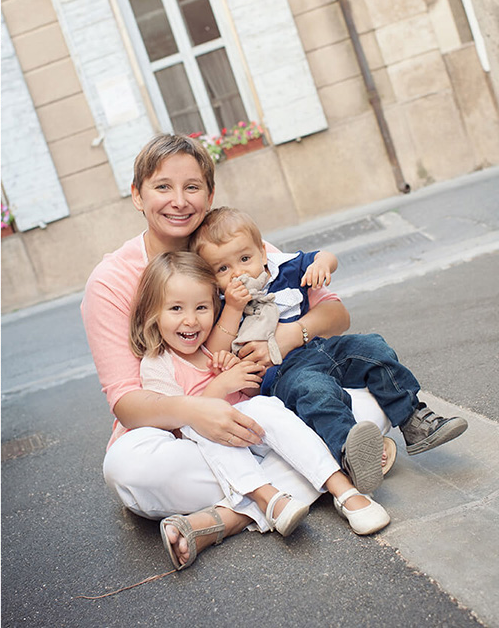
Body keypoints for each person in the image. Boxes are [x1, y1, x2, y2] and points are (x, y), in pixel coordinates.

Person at [128, 251, 390, 569]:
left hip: (257, 437)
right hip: (214, 452)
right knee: (208, 429)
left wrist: (239, 373)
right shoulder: (158, 364)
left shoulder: (216, 344)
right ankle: (271, 498)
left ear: (215, 306)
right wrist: (220, 386)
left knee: (267, 405)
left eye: (202, 308)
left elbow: (255, 392)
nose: (190, 320)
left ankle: (344, 491)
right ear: (152, 314)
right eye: (175, 309)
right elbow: (178, 424)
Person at [192, 206, 468, 494]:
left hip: (320, 346)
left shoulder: (284, 268)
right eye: (223, 269)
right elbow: (215, 347)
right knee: (317, 391)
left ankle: (413, 420)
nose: (238, 272)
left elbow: (324, 256)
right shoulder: (222, 303)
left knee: (372, 347)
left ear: (263, 253)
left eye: (245, 259)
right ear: (212, 278)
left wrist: (323, 265)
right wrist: (234, 308)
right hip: (285, 373)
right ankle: (351, 452)